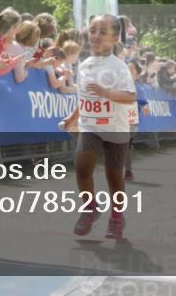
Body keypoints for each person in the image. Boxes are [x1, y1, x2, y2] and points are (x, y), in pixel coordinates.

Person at [58, 15, 136, 239]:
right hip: (90, 126)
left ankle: (117, 217)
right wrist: (72, 118)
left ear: (114, 37)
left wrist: (107, 93)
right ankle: (90, 207)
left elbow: (130, 97)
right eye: (92, 31)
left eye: (102, 32)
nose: (96, 36)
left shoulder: (119, 67)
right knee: (82, 168)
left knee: (114, 176)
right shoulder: (84, 65)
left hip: (115, 128)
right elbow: (84, 97)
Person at [123, 60, 150, 181]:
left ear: (137, 75)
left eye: (132, 69)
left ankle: (128, 171)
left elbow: (144, 104)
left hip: (131, 121)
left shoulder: (140, 89)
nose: (128, 71)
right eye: (126, 68)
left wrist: (145, 108)